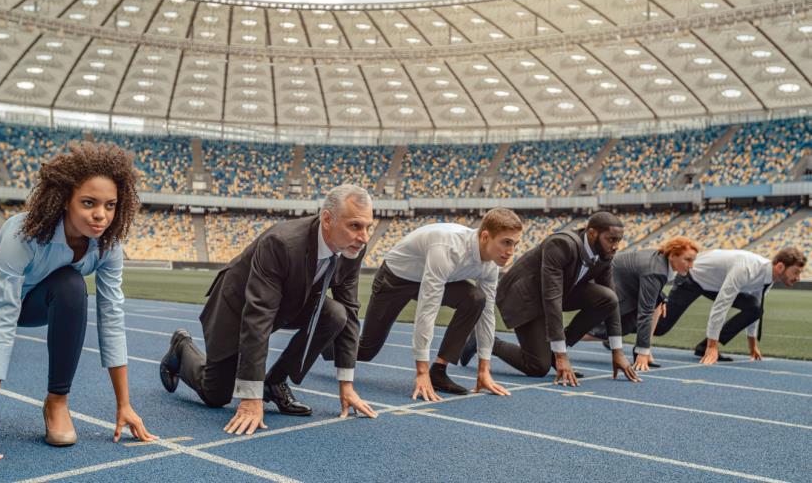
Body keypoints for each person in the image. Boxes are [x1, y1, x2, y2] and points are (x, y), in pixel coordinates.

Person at [0, 143, 156, 468]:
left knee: (71, 286)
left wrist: (124, 404)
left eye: (110, 205)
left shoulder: (108, 245)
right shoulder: (22, 234)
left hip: (36, 301)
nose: (101, 215)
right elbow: (1, 322)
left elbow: (111, 317)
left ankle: (57, 402)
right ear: (65, 199)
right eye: (88, 203)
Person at [159, 185, 378, 435]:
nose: (364, 237)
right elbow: (258, 315)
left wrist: (347, 385)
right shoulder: (282, 243)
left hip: (292, 301)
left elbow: (349, 310)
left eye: (368, 227)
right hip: (237, 305)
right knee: (216, 395)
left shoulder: (352, 249)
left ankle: (274, 382)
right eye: (355, 226)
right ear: (327, 219)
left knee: (336, 314)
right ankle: (181, 346)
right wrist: (251, 398)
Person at [355, 209, 522, 401]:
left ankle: (439, 371)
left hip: (426, 277)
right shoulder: (448, 248)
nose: (511, 252)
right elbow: (428, 309)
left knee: (476, 299)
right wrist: (421, 372)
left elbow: (487, 315)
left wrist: (484, 370)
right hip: (396, 279)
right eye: (506, 243)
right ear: (485, 236)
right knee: (366, 350)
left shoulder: (491, 263)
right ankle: (326, 341)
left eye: (515, 244)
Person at [481, 211, 640, 386]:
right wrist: (561, 356)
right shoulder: (561, 244)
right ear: (593, 233)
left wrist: (617, 351)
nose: (616, 246)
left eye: (618, 240)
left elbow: (613, 302)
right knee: (538, 367)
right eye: (611, 240)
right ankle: (485, 341)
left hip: (558, 292)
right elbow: (552, 298)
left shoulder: (604, 256)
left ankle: (552, 350)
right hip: (523, 297)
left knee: (608, 299)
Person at [653, 247, 805, 364]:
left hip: (715, 284)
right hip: (692, 277)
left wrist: (752, 346)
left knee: (754, 307)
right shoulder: (746, 269)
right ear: (780, 267)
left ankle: (702, 346)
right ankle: (630, 322)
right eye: (796, 272)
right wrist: (712, 347)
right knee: (660, 328)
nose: (798, 278)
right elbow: (721, 305)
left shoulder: (769, 278)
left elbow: (756, 310)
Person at [586, 237, 700, 371]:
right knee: (614, 329)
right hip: (607, 288)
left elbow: (647, 285)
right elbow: (645, 312)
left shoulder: (661, 260)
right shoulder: (656, 269)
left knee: (656, 304)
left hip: (623, 286)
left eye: (693, 261)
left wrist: (661, 297)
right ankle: (561, 339)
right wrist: (642, 352)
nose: (691, 266)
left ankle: (646, 348)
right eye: (687, 260)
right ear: (672, 256)